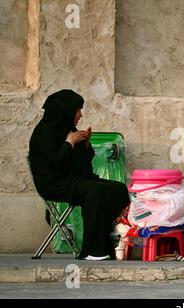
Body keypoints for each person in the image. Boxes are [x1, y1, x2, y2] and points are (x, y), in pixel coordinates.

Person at [29, 89, 130, 260]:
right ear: (65, 112)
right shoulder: (44, 133)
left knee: (118, 189)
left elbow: (82, 161)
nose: (80, 115)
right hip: (54, 184)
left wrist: (85, 145)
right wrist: (69, 143)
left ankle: (106, 243)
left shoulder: (67, 128)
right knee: (93, 192)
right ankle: (92, 250)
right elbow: (56, 164)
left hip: (73, 180)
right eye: (77, 110)